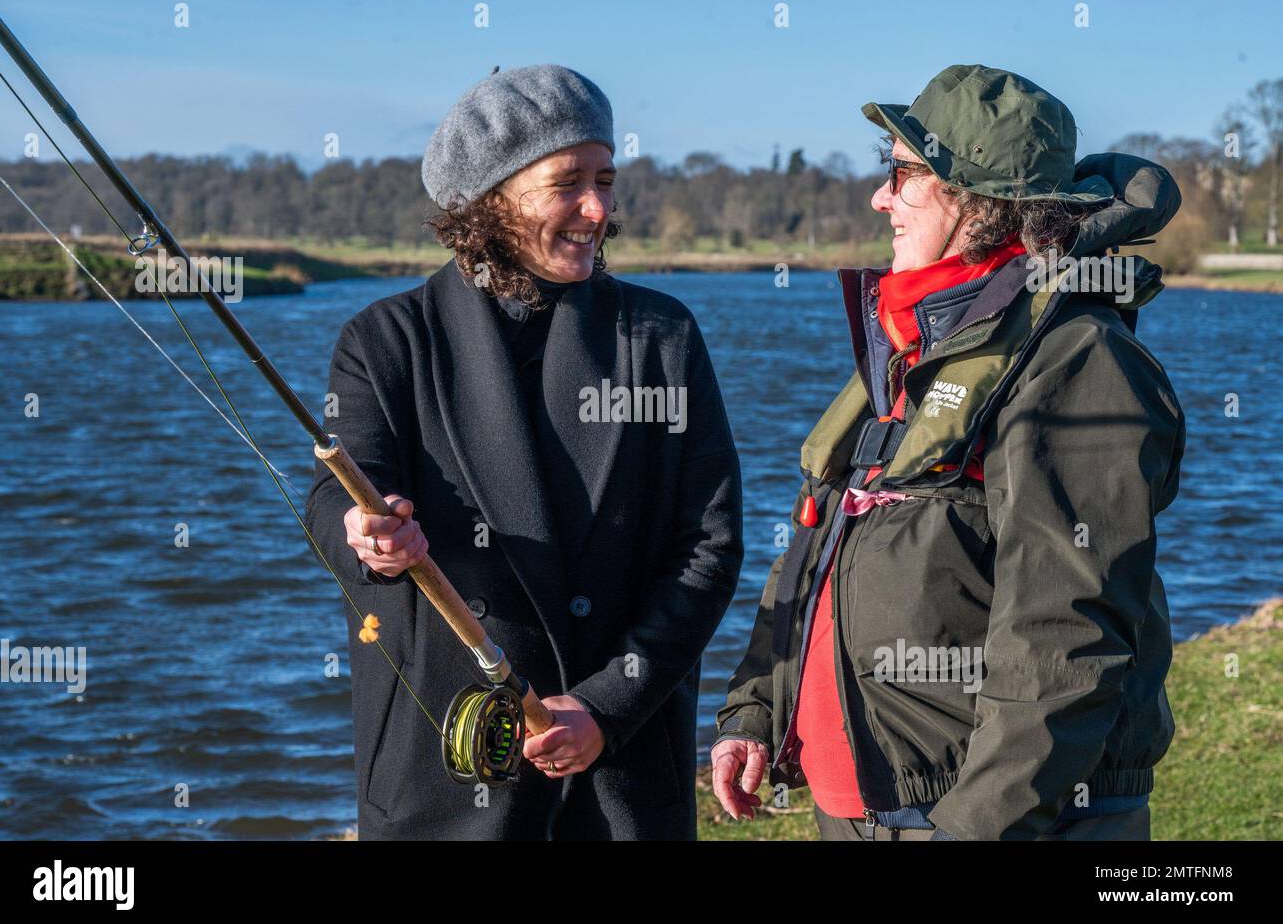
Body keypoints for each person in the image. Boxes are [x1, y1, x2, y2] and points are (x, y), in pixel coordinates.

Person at [713, 64, 1185, 841]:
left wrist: (974, 827)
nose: (879, 198)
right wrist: (755, 711)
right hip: (866, 807)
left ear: (980, 200)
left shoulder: (1075, 358)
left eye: (901, 174)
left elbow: (1065, 629)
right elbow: (821, 540)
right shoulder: (926, 338)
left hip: (991, 820)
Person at [306, 65, 743, 839]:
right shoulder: (384, 342)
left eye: (606, 179)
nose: (598, 208)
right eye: (566, 182)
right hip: (444, 786)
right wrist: (366, 535)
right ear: (490, 196)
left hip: (623, 783)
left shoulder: (661, 337)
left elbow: (707, 547)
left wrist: (608, 705)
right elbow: (337, 497)